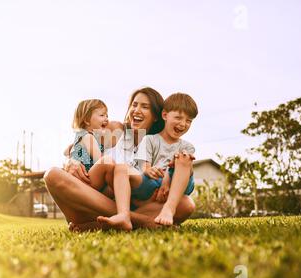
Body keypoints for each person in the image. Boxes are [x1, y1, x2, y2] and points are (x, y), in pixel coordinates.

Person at [43, 87, 196, 232]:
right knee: (52, 175)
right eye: (134, 105)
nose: (136, 110)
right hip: (89, 199)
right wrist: (73, 160)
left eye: (144, 107)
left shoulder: (159, 145)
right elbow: (82, 139)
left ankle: (97, 224)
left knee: (186, 204)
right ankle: (141, 221)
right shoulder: (116, 130)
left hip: (129, 204)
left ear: (157, 116)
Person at [97, 93, 198, 230]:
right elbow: (145, 164)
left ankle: (168, 209)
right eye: (179, 118)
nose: (183, 124)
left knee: (183, 159)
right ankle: (123, 215)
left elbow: (181, 168)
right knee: (120, 168)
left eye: (188, 121)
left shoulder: (187, 146)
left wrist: (166, 182)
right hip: (151, 183)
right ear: (164, 115)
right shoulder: (147, 139)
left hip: (177, 183)